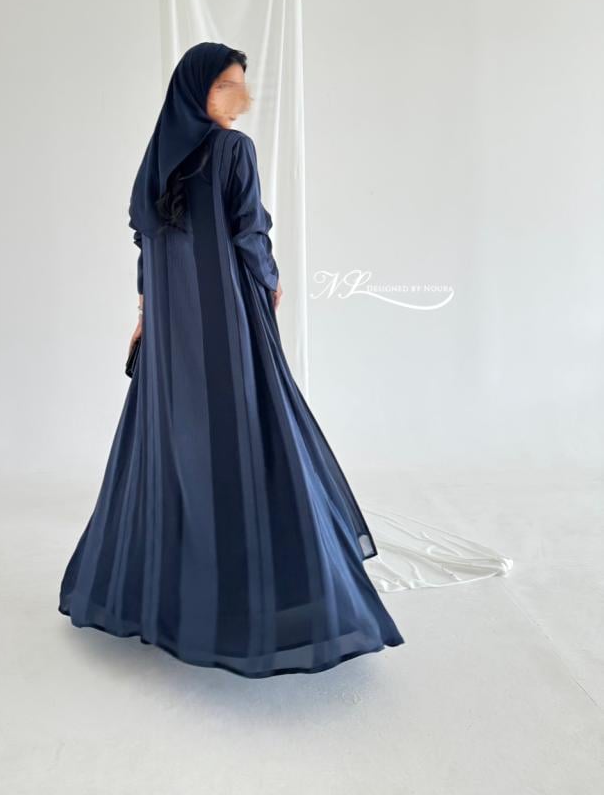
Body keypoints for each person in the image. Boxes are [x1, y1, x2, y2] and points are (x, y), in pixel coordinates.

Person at [58, 41, 405, 677]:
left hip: (171, 327)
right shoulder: (231, 151)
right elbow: (249, 231)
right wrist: (270, 282)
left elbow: (148, 247)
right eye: (226, 85)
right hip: (225, 321)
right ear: (195, 92)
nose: (241, 99)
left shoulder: (158, 160)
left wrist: (145, 316)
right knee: (248, 431)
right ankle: (258, 589)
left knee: (176, 439)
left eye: (242, 84)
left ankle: (169, 592)